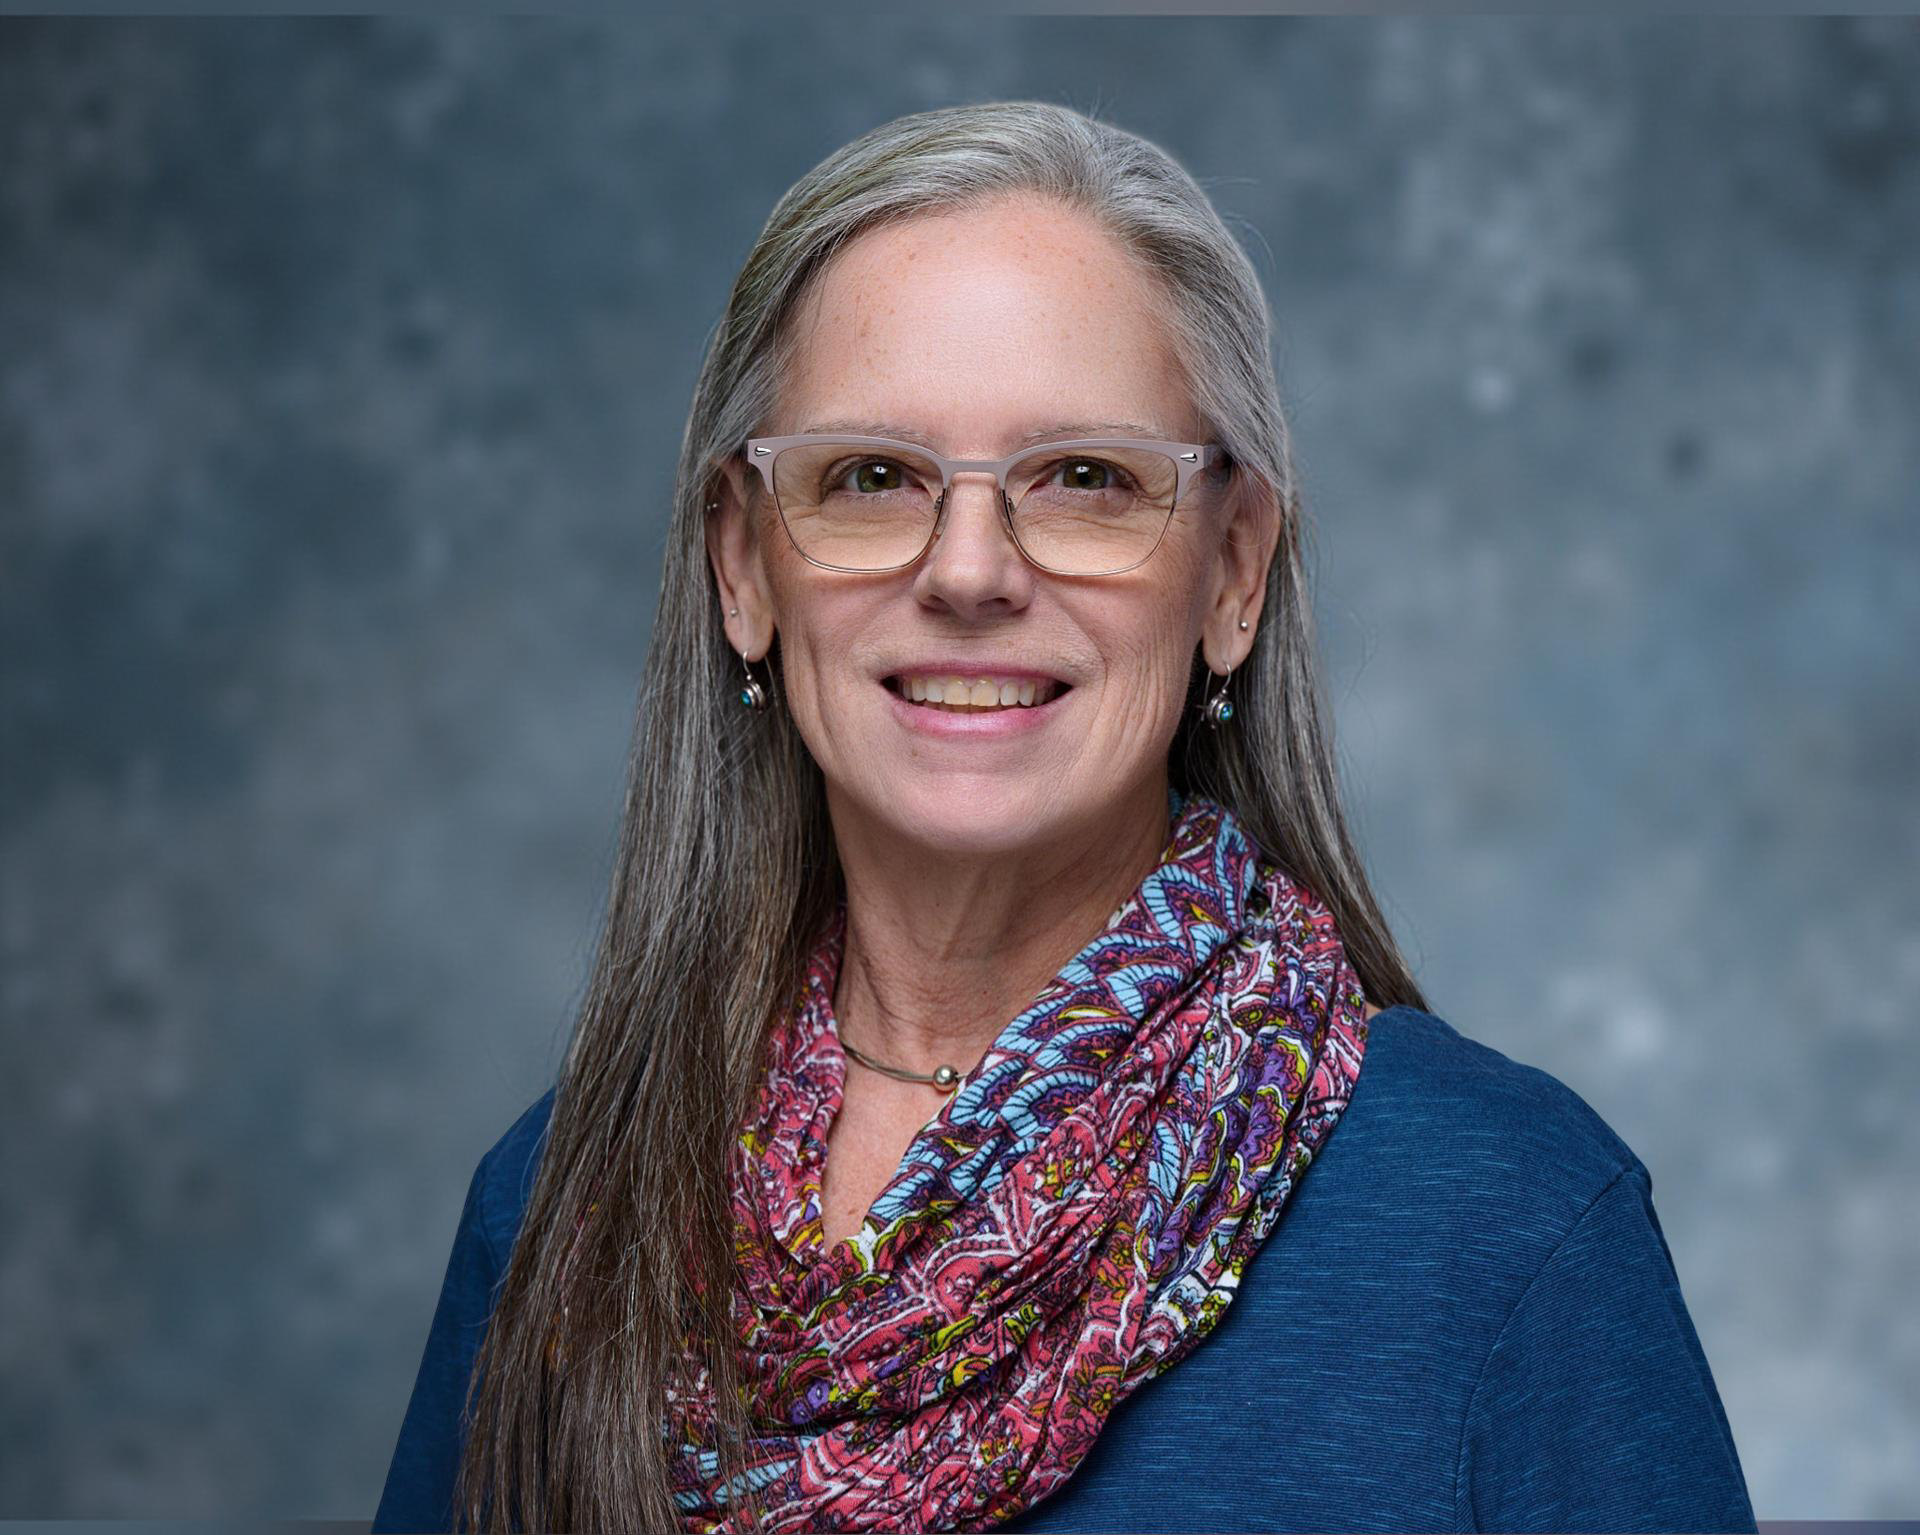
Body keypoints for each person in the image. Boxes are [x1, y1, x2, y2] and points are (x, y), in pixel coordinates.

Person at [372, 100, 1757, 1534]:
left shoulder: (1508, 1224)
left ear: (1232, 571)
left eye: (1087, 481)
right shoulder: (555, 1211)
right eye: (871, 478)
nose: (970, 570)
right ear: (743, 567)